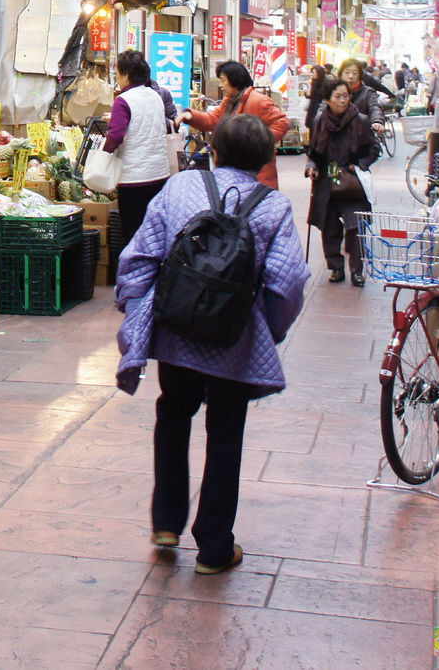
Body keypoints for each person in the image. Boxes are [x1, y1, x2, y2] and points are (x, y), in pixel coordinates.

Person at [115, 114, 309, 576]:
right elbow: (287, 284)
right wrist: (269, 330)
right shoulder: (273, 207)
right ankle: (214, 548)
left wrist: (136, 308)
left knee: (173, 413)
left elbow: (139, 254)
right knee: (225, 433)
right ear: (265, 160)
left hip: (177, 330)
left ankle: (166, 524)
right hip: (234, 339)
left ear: (214, 151)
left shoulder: (180, 188)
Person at [308, 82, 380, 284]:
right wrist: (312, 165)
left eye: (346, 96)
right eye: (337, 96)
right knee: (329, 228)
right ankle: (336, 267)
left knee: (355, 228)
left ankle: (357, 271)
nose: (342, 100)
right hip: (326, 182)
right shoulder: (320, 121)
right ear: (327, 99)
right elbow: (313, 151)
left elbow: (374, 149)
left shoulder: (361, 120)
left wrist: (360, 165)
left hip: (352, 184)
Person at [180, 61, 288, 188]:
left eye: (223, 81)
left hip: (256, 171)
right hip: (233, 169)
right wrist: (191, 116)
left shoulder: (258, 101)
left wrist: (257, 142)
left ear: (235, 80)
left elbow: (282, 123)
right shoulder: (229, 102)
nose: (221, 86)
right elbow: (213, 120)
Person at [102, 50, 173, 238]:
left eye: (117, 73)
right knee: (154, 232)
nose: (116, 78)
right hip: (159, 174)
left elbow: (116, 136)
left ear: (126, 75)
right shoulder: (155, 96)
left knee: (133, 234)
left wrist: (103, 154)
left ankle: (135, 267)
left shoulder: (123, 100)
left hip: (134, 179)